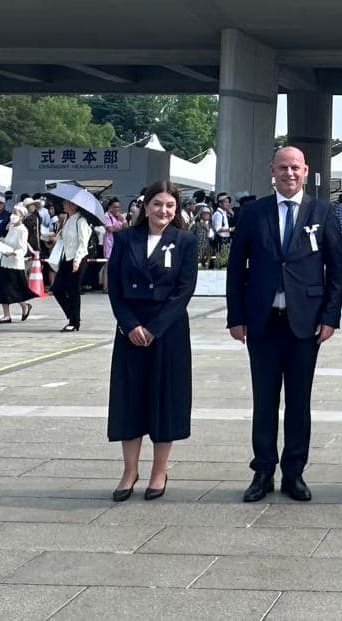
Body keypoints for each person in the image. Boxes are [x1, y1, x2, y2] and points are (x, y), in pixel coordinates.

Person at [227, 146, 342, 503]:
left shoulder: (322, 212)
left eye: (295, 168)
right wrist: (236, 316)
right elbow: (236, 268)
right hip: (262, 322)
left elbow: (337, 271)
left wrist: (330, 317)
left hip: (304, 324)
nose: (289, 173)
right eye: (283, 167)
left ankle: (294, 472)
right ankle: (263, 470)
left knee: (299, 401)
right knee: (264, 400)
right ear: (272, 170)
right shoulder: (253, 212)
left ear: (306, 171)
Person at [107, 180, 198, 502]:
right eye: (157, 204)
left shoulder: (185, 241)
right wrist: (130, 324)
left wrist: (155, 327)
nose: (163, 211)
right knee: (129, 399)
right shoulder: (125, 239)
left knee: (165, 399)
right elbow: (115, 288)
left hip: (168, 330)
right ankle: (129, 470)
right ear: (145, 207)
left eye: (170, 205)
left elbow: (184, 290)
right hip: (131, 329)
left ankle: (160, 469)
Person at [0, 200, 39, 324]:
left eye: (16, 213)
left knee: (14, 289)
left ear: (22, 216)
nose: (13, 215)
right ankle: (6, 315)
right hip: (5, 261)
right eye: (13, 213)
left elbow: (22, 248)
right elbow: (7, 242)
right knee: (3, 288)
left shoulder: (23, 230)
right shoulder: (11, 227)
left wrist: (12, 252)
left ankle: (24, 305)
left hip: (15, 264)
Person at [50, 198, 93, 332]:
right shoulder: (68, 219)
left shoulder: (81, 221)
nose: (63, 204)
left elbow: (83, 243)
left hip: (78, 258)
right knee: (57, 288)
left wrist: (77, 260)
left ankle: (74, 322)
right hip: (66, 257)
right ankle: (73, 315)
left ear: (74, 205)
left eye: (66, 202)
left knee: (73, 290)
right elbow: (63, 239)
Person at [100, 198, 127, 291]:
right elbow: (110, 229)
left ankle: (116, 285)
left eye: (118, 207)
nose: (117, 209)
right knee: (107, 264)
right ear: (110, 207)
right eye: (115, 207)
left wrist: (123, 220)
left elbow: (126, 227)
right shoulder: (107, 216)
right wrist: (120, 227)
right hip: (109, 242)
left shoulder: (120, 216)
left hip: (119, 242)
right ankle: (105, 286)